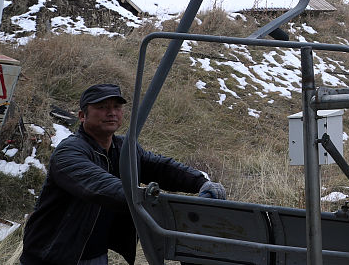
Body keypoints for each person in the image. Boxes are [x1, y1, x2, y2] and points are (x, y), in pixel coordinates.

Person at [20, 83, 225, 265]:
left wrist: (200, 182)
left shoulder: (123, 148)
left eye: (116, 107)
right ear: (82, 116)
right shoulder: (69, 152)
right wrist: (150, 200)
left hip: (95, 254)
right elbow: (100, 186)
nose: (111, 113)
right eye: (102, 107)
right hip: (51, 255)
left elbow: (159, 166)